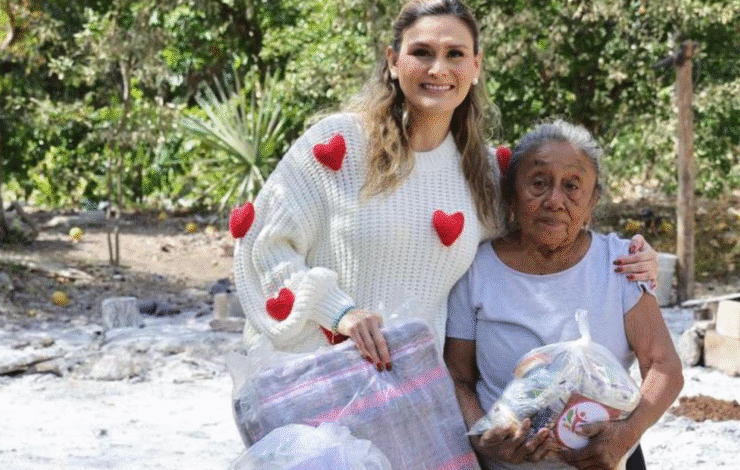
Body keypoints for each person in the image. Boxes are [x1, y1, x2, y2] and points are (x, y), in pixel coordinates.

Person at [231, 0, 658, 373]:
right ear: (393, 61)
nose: (438, 69)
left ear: (476, 67)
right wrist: (339, 313)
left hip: (413, 396)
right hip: (316, 381)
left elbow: (547, 234)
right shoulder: (339, 144)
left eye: (455, 54)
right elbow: (262, 245)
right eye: (422, 52)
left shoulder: (485, 174)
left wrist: (633, 261)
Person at [444, 120, 683, 470]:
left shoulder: (621, 264)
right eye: (539, 183)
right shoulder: (477, 270)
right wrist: (483, 438)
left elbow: (664, 366)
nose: (554, 200)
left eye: (572, 186)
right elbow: (457, 375)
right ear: (511, 194)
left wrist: (624, 436)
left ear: (592, 200)